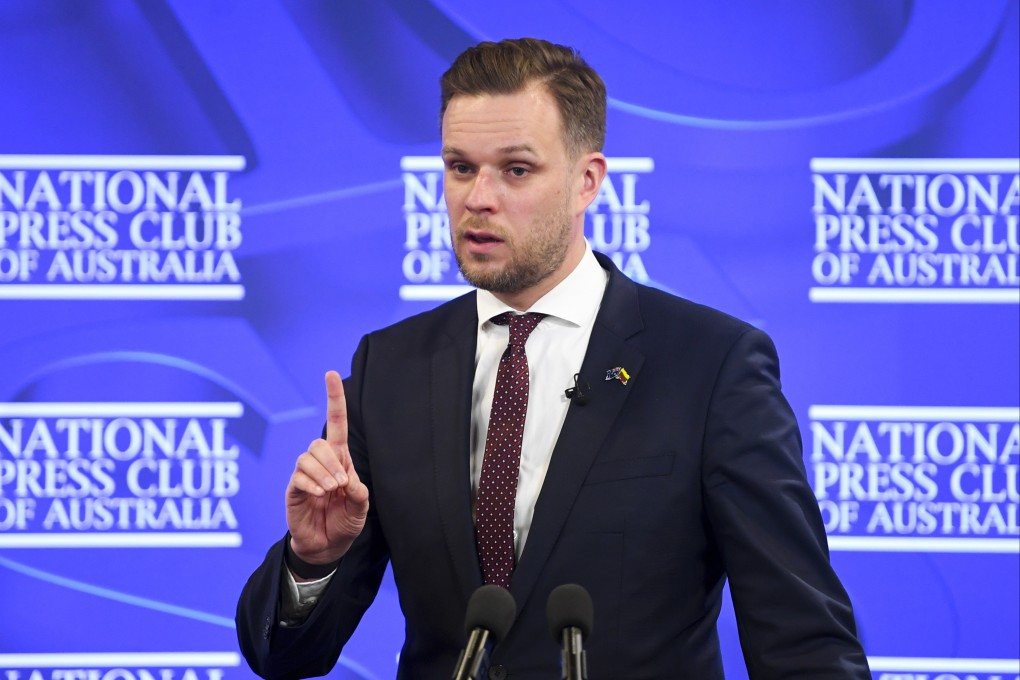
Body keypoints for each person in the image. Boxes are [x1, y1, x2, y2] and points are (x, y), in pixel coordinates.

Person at [236, 37, 871, 679]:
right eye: (460, 166)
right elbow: (286, 657)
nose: (478, 198)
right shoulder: (390, 368)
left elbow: (803, 642)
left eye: (515, 170)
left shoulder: (712, 366)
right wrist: (312, 560)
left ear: (585, 181)